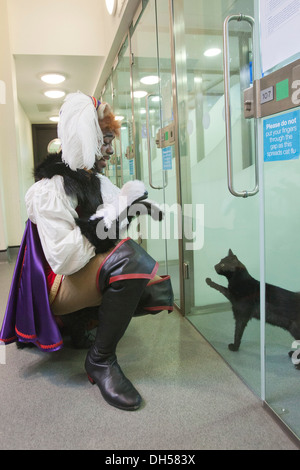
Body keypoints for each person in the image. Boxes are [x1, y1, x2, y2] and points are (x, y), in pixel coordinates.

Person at [0, 91, 174, 411]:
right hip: (56, 286)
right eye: (105, 139)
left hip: (78, 273)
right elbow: (63, 260)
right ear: (86, 137)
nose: (110, 148)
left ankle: (82, 330)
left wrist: (129, 210)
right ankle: (100, 361)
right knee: (130, 261)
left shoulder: (98, 182)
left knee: (154, 286)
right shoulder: (48, 189)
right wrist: (110, 218)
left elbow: (113, 235)